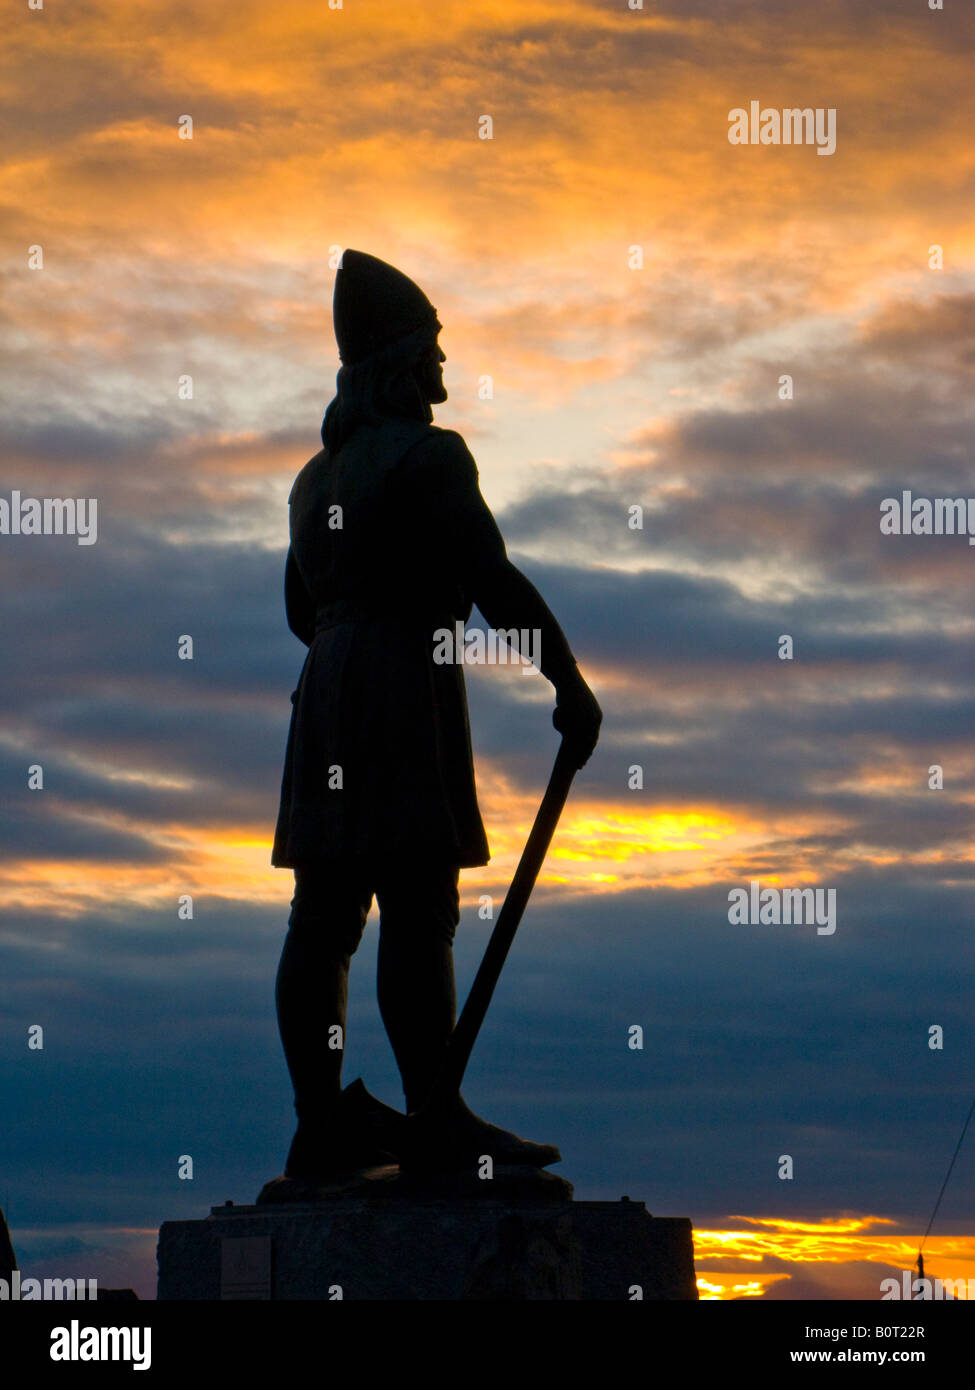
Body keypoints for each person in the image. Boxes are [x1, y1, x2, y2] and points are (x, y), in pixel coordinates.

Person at [271, 250, 602, 1179]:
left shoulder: (311, 479)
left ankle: (320, 1127)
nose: (444, 373)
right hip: (402, 677)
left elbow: (299, 610)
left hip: (327, 686)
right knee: (419, 907)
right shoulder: (429, 456)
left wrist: (348, 644)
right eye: (434, 353)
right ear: (401, 360)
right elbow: (491, 579)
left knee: (322, 915)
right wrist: (564, 682)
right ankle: (435, 1114)